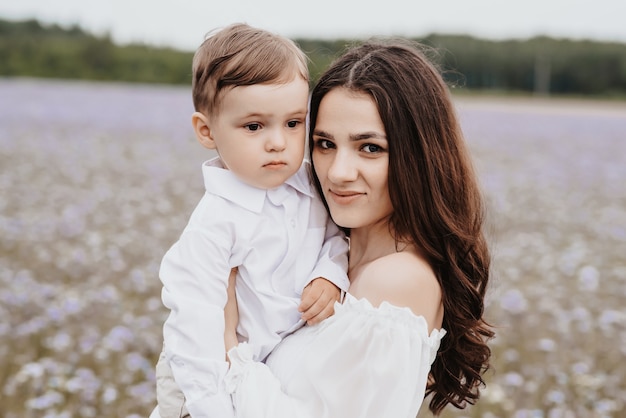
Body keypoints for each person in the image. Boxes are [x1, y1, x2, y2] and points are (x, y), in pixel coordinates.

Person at [221, 39, 494, 417]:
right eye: (324, 144)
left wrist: (223, 350)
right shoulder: (325, 253)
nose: (338, 172)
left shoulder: (396, 283)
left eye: (370, 148)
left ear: (420, 155)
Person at [152, 23, 350, 418]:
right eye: (254, 126)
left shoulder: (310, 185)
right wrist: (214, 408)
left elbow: (337, 239)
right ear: (207, 131)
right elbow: (196, 332)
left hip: (263, 371)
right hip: (201, 384)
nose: (278, 141)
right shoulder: (214, 224)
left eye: (293, 123)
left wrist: (331, 276)